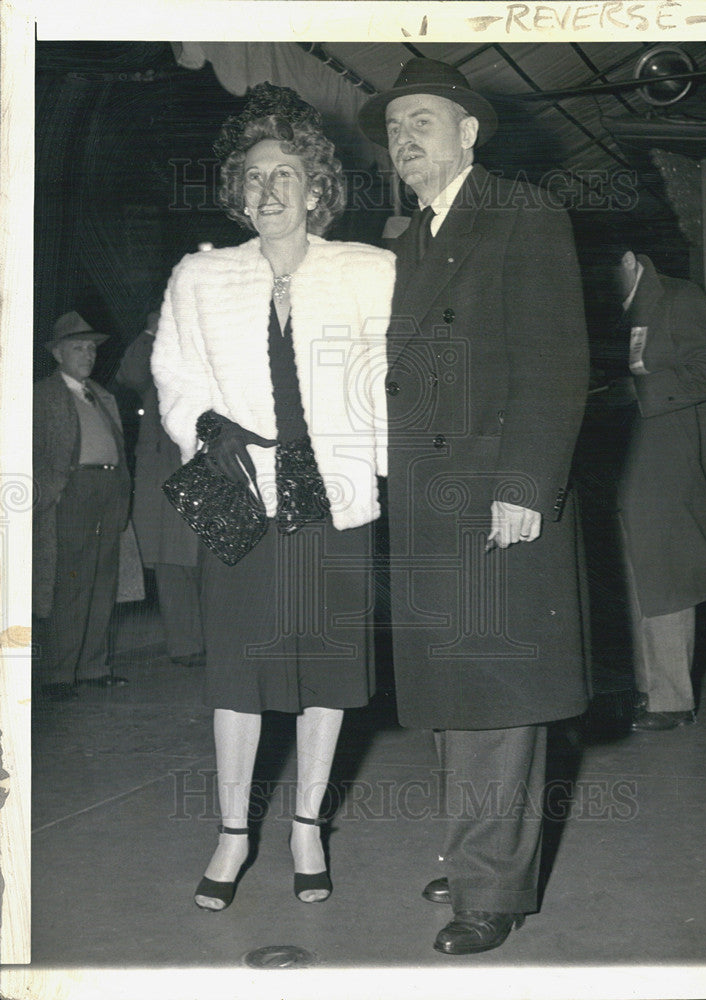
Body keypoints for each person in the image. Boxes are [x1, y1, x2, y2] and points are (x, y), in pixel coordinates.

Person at [357, 58, 590, 954]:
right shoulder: (413, 237)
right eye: (393, 127)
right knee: (458, 695)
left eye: (422, 121)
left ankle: (489, 888)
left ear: (469, 132)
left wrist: (524, 487)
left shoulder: (522, 214)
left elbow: (556, 359)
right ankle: (474, 858)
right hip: (429, 501)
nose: (404, 138)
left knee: (496, 697)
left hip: (496, 494)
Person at [152, 84, 395, 908]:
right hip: (239, 492)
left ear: (316, 187)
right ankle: (230, 834)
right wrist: (208, 431)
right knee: (239, 671)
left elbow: (403, 378)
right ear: (236, 193)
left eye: (285, 175)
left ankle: (305, 826)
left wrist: (378, 454)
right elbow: (174, 375)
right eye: (254, 179)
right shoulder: (199, 275)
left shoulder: (369, 270)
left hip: (334, 492)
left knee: (326, 666)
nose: (268, 192)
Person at [611, 250, 706, 731]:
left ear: (629, 257)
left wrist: (640, 391)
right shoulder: (606, 303)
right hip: (619, 461)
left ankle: (672, 700)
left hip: (668, 462)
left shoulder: (679, 298)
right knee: (630, 579)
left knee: (665, 579)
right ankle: (647, 692)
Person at [32, 311, 131, 701]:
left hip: (109, 489)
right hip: (72, 489)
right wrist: (50, 489)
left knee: (104, 580)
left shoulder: (102, 396)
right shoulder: (43, 395)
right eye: (78, 347)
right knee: (70, 581)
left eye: (91, 348)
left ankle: (93, 667)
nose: (88, 354)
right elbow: (30, 448)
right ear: (58, 354)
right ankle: (59, 673)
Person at [115, 310, 205, 667]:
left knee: (207, 562)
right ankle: (186, 646)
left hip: (207, 471)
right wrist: (152, 327)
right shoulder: (155, 364)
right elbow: (129, 373)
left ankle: (217, 642)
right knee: (172, 562)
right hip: (165, 474)